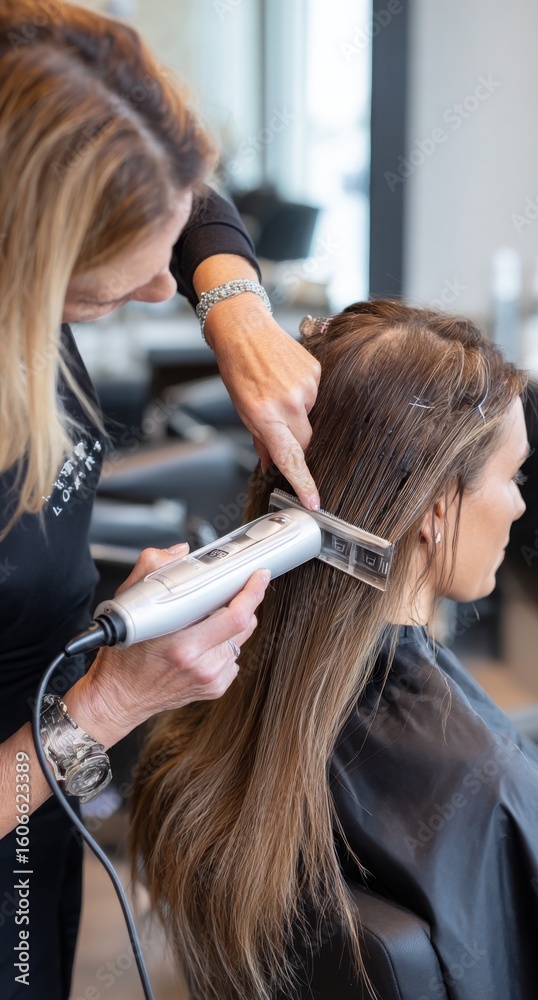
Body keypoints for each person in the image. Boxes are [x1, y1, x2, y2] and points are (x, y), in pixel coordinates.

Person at [0, 2, 321, 997]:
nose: (154, 290)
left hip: (40, 806)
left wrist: (233, 307)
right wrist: (110, 704)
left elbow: (181, 194)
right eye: (104, 289)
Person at [130, 299, 538, 1000]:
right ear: (436, 510)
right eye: (511, 476)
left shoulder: (212, 700)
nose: (518, 505)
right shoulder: (503, 791)